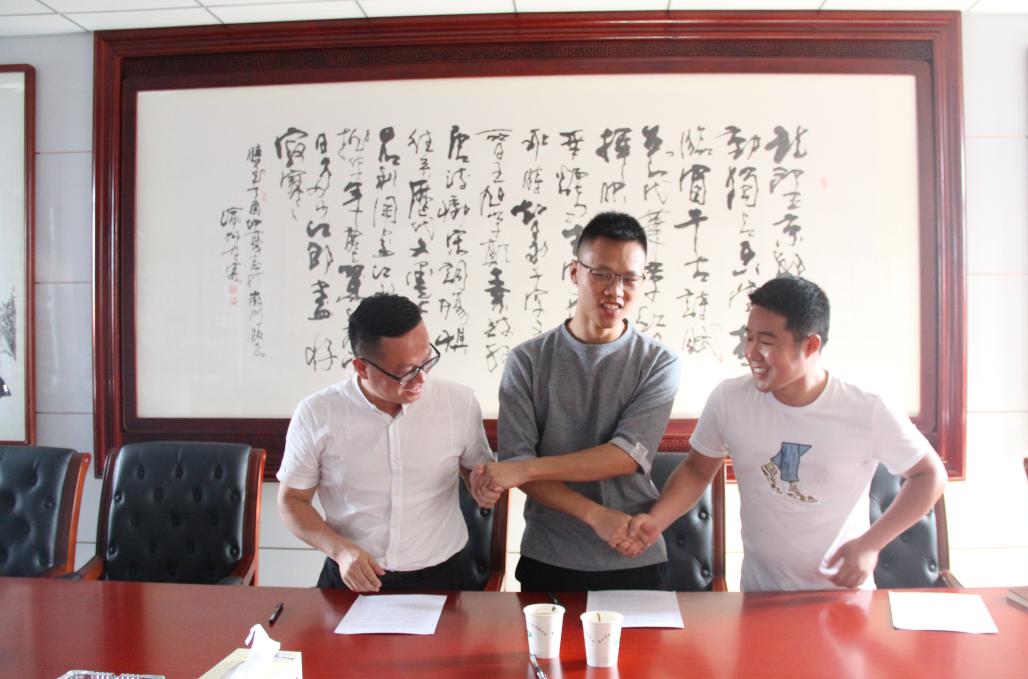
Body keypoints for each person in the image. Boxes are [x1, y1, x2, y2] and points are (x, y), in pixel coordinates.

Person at [625, 276, 947, 591]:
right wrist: (656, 521)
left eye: (766, 342)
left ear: (810, 345)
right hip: (760, 595)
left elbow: (930, 475)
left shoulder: (866, 409)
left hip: (842, 596)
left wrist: (871, 544)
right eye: (749, 338)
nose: (751, 353)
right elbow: (697, 470)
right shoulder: (729, 399)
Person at [474, 211, 681, 591]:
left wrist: (526, 469)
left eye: (629, 278)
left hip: (633, 552)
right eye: (601, 274)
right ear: (575, 272)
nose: (615, 291)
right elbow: (516, 465)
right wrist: (595, 515)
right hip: (547, 557)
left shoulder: (658, 362)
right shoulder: (527, 361)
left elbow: (625, 455)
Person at [276, 293, 497, 592]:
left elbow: (474, 470)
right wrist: (341, 551)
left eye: (426, 362)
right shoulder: (317, 413)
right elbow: (292, 501)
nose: (421, 379)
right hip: (352, 574)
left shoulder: (458, 403)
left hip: (441, 575)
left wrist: (480, 484)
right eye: (405, 372)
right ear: (361, 368)